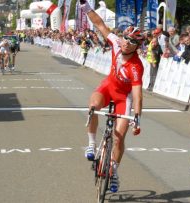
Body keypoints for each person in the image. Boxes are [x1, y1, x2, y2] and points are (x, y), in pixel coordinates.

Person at [80, 0, 143, 193]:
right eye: (125, 38)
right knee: (92, 107)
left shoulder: (137, 66)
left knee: (119, 137)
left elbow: (137, 94)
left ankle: (113, 170)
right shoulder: (116, 42)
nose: (126, 42)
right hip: (108, 87)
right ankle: (91, 144)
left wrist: (137, 117)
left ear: (137, 46)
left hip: (124, 98)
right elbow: (99, 23)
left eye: (131, 41)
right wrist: (85, 6)